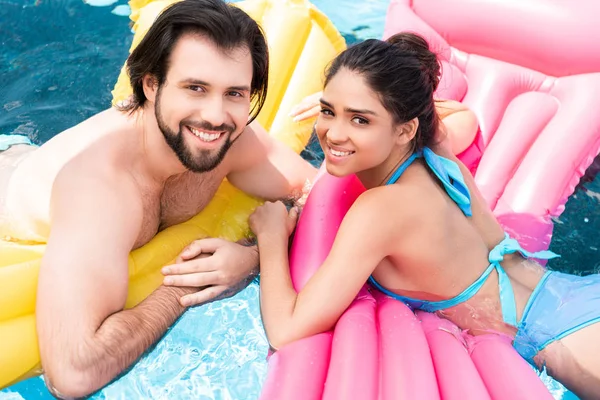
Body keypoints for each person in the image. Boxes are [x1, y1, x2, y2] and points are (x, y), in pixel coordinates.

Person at [249, 33, 600, 399]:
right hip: (563, 293)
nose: (333, 133)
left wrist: (270, 237)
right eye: (327, 111)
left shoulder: (381, 210)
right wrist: (355, 103)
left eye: (360, 120)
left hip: (561, 334)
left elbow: (287, 329)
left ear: (405, 129)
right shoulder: (439, 157)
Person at [0, 0, 316, 397]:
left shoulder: (232, 140)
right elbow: (73, 374)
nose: (216, 115)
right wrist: (184, 290)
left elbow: (320, 195)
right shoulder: (101, 189)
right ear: (151, 84)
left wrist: (253, 258)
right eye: (195, 88)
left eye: (234, 93)